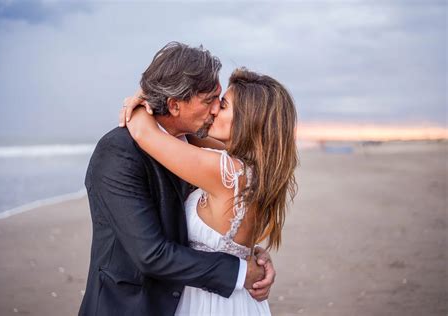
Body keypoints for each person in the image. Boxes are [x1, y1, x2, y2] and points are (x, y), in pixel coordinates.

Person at [79, 42, 275, 316]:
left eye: (220, 100)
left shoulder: (199, 150)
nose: (216, 109)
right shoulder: (118, 152)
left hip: (193, 300)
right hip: (132, 305)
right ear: (174, 105)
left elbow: (214, 222)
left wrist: (245, 252)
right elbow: (151, 254)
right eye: (209, 101)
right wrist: (241, 270)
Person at [121, 67, 298, 315]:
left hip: (210, 301)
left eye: (223, 105)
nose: (214, 109)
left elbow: (143, 132)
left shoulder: (227, 172)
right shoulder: (257, 170)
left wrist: (139, 101)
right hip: (236, 299)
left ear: (249, 119)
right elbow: (190, 132)